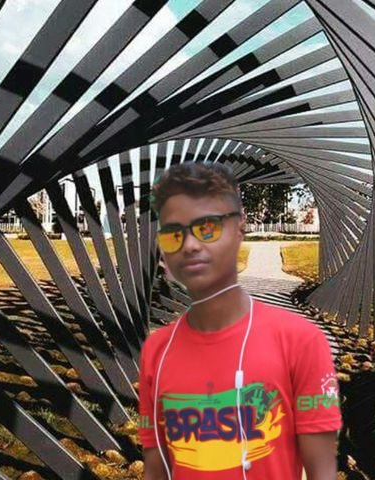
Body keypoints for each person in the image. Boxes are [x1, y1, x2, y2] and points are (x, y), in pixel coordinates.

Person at [137, 161, 342, 479]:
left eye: (207, 228)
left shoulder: (300, 341)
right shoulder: (156, 350)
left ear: (239, 227)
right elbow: (156, 467)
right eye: (174, 234)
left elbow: (321, 470)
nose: (190, 246)